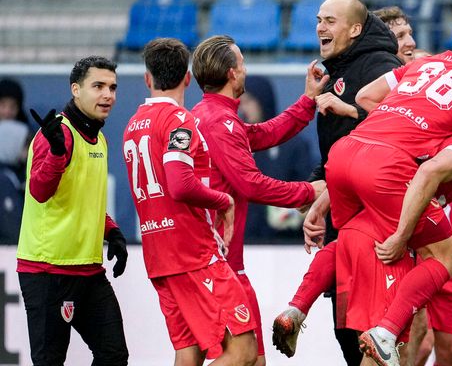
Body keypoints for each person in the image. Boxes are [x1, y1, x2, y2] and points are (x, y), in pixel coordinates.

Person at [318, 4, 452, 366]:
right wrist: (433, 138)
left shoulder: (421, 64)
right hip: (389, 175)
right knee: (443, 261)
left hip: (345, 157)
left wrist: (403, 120)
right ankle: (384, 332)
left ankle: (297, 308)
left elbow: (366, 97)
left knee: (351, 244)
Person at [273, 0, 403, 366]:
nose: (320, 27)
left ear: (355, 29)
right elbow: (334, 153)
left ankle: (298, 309)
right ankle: (298, 310)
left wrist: (349, 110)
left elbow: (397, 134)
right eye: (318, 20)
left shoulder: (380, 67)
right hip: (342, 220)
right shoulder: (333, 73)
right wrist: (317, 196)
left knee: (375, 338)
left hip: (375, 221)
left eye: (330, 20)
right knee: (352, 335)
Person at [190, 35, 326, 364]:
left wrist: (307, 101)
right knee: (244, 357)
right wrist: (309, 192)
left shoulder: (213, 116)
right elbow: (251, 185)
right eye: (242, 63)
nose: (246, 70)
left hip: (223, 263)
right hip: (217, 264)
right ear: (232, 73)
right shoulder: (219, 122)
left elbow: (265, 133)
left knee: (251, 360)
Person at [123, 38, 258, 365]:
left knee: (188, 352)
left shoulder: (132, 126)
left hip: (158, 256)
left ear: (147, 78)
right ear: (187, 78)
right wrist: (222, 200)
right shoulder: (179, 121)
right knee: (244, 352)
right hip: (193, 252)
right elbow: (180, 184)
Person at [17, 56, 129, 366]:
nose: (108, 95)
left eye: (113, 87)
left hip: (89, 271)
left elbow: (86, 199)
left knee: (114, 356)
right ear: (76, 89)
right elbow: (38, 192)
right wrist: (55, 154)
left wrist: (113, 232)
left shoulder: (100, 139)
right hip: (48, 270)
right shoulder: (56, 135)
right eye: (98, 86)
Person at [238, 75, 318, 241]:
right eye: (241, 103)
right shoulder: (240, 144)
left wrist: (291, 214)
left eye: (249, 102)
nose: (244, 109)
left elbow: (311, 188)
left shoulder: (294, 145)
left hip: (286, 243)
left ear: (263, 100)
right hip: (248, 241)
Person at [0, 120, 28, 243]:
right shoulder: (4, 180)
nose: (28, 151)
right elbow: (12, 228)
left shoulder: (16, 176)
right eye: (25, 145)